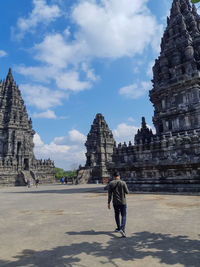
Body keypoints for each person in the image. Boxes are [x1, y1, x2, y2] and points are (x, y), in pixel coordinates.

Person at [108, 171, 129, 237]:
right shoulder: (123, 183)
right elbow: (127, 192)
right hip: (123, 202)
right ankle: (122, 229)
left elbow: (109, 194)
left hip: (115, 202)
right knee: (123, 215)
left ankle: (119, 227)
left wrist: (108, 202)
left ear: (114, 177)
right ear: (119, 176)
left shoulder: (111, 183)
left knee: (117, 215)